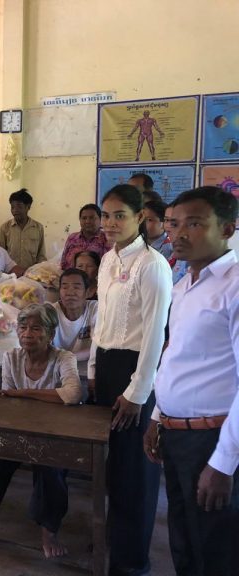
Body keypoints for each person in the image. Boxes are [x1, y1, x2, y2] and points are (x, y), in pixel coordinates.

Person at [142, 186, 239, 576]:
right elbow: (175, 357)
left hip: (214, 438)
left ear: (228, 228)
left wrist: (224, 463)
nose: (179, 234)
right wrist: (157, 417)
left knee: (217, 549)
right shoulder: (184, 286)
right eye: (174, 224)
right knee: (183, 540)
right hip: (176, 433)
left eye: (194, 224)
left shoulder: (234, 286)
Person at [0, 304, 83, 558]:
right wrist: (29, 396)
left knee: (50, 465)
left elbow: (73, 394)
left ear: (51, 334)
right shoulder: (12, 357)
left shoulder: (64, 358)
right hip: (18, 431)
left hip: (52, 434)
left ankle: (49, 529)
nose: (27, 334)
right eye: (23, 327)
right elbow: (7, 401)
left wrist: (23, 393)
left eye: (36, 328)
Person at [88, 184, 172, 576]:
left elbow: (155, 333)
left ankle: (132, 562)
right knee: (113, 466)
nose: (109, 223)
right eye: (106, 215)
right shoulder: (107, 260)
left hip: (136, 371)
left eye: (119, 215)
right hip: (107, 366)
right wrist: (92, 368)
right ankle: (114, 539)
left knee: (136, 471)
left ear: (139, 217)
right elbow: (101, 320)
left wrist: (138, 392)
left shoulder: (153, 265)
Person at [51, 268, 97, 362]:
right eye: (65, 287)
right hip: (56, 366)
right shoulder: (50, 312)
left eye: (76, 287)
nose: (70, 293)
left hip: (87, 367)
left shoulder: (95, 309)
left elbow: (99, 347)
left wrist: (67, 358)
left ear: (87, 292)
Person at [0, 188, 47, 270]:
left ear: (28, 207)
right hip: (10, 273)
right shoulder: (4, 228)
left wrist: (40, 271)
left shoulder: (38, 228)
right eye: (12, 207)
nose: (15, 210)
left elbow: (41, 255)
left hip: (32, 273)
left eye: (19, 206)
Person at [59, 204, 108, 270]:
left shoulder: (107, 239)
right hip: (71, 275)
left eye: (92, 218)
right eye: (84, 218)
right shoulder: (72, 238)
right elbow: (63, 264)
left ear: (100, 219)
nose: (87, 221)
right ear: (80, 220)